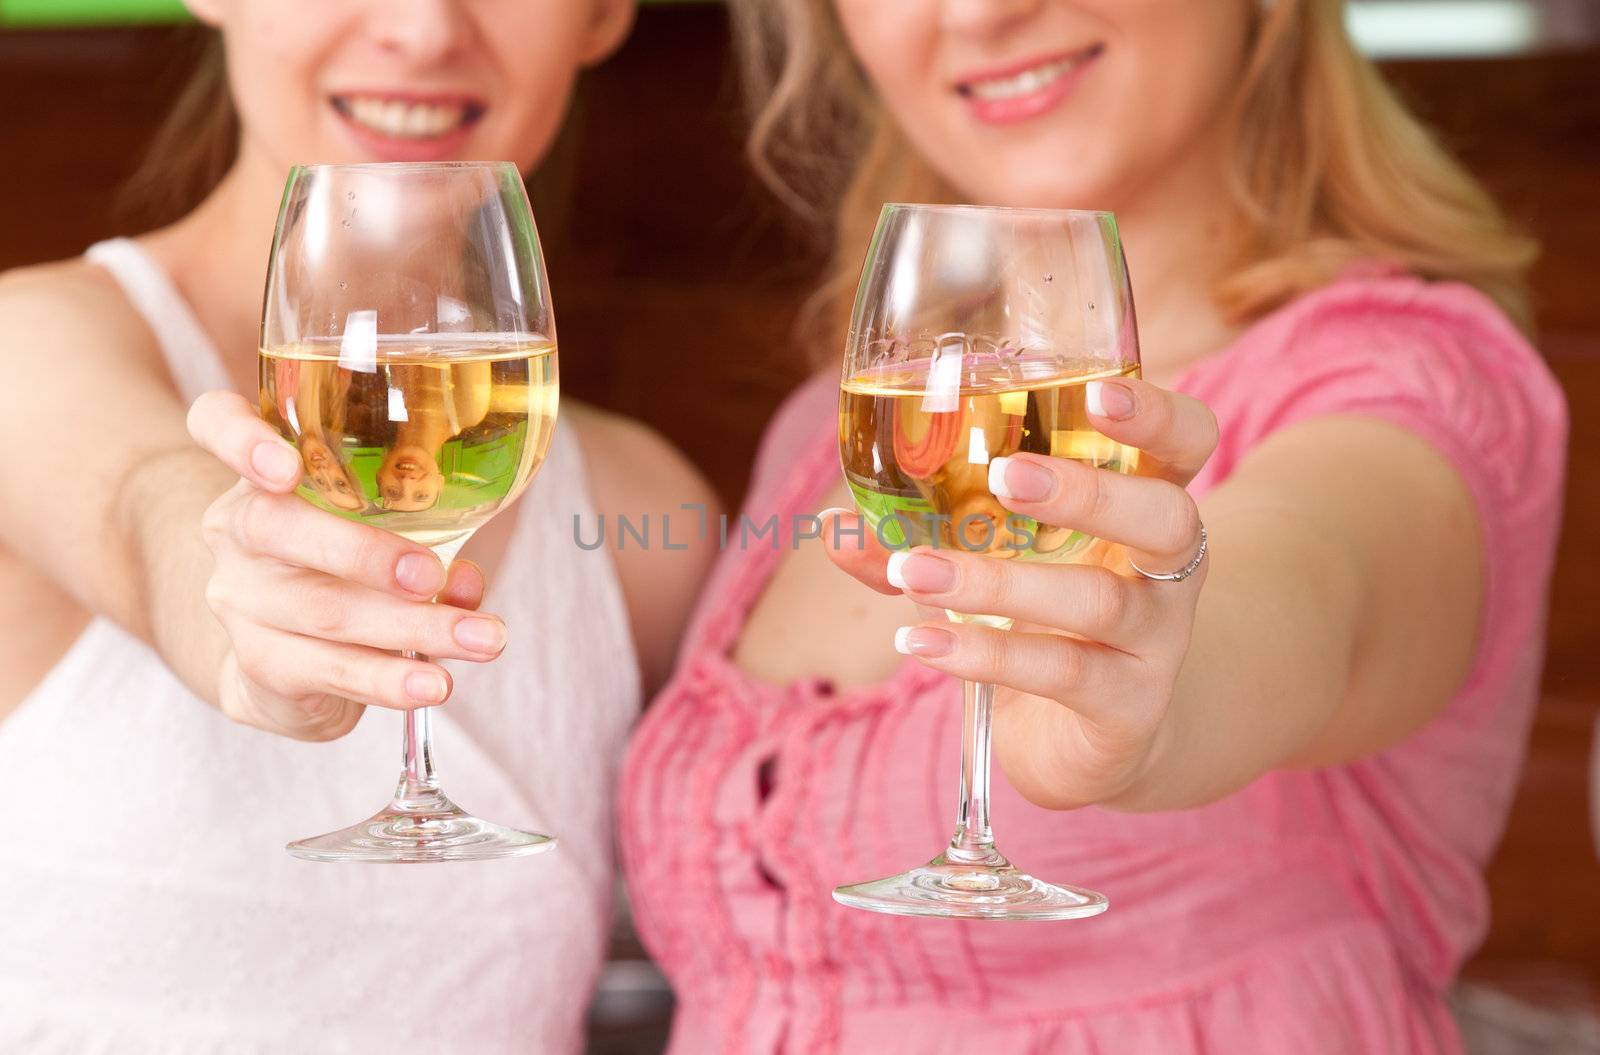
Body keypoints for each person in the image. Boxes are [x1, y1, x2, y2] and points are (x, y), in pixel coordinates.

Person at [615, 0, 1567, 1051]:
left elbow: (1302, 588)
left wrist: (1144, 700)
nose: (980, 13)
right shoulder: (830, 433)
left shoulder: (1403, 382)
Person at [0, 1, 714, 1050]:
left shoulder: (644, 511)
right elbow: (142, 500)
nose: (424, 30)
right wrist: (246, 637)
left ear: (604, 13)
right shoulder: (31, 347)